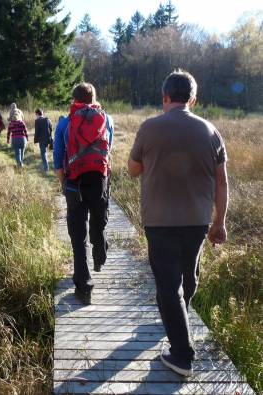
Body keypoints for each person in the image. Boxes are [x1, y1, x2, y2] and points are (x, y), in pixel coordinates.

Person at [128, 70, 228, 377]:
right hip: (197, 221)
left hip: (159, 221)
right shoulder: (211, 131)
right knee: (188, 277)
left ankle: (182, 355)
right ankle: (178, 320)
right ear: (193, 100)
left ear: (164, 97)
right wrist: (219, 222)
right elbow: (222, 183)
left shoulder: (149, 128)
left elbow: (133, 170)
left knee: (169, 287)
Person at [53, 83, 114, 305]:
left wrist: (64, 185)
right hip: (99, 179)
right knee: (99, 222)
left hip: (74, 183)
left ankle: (84, 287)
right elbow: (108, 152)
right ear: (94, 98)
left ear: (74, 100)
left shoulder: (64, 123)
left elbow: (59, 162)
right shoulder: (106, 119)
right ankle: (100, 254)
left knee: (78, 236)